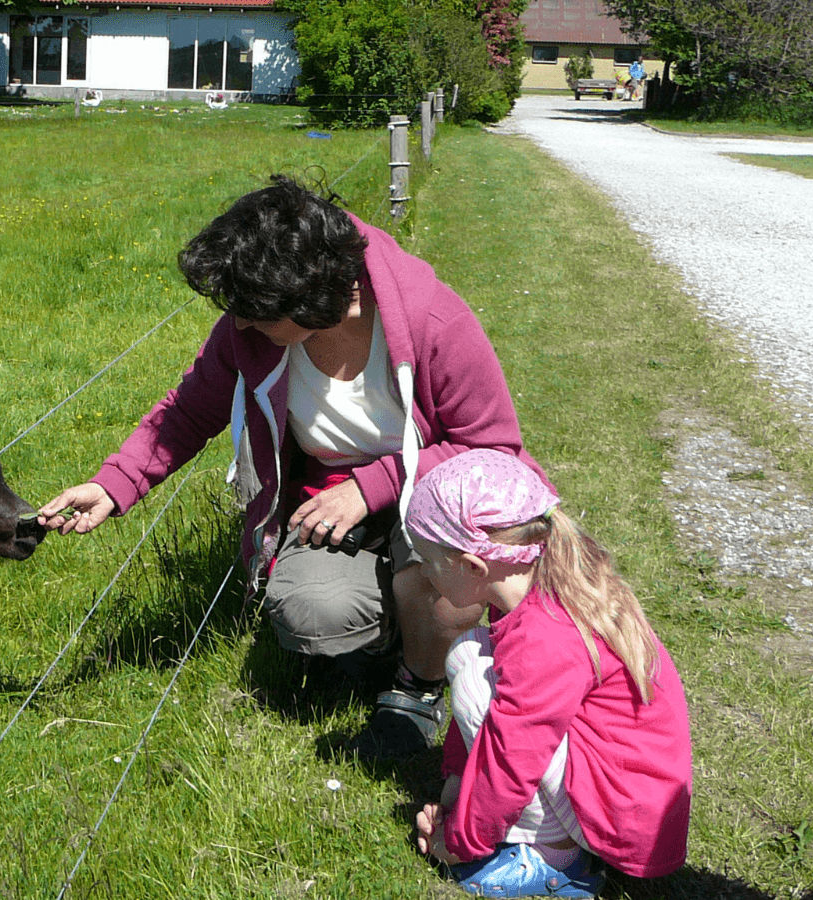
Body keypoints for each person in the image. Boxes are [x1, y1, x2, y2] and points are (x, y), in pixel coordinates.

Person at [37, 174, 548, 759]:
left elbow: (493, 450)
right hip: (324, 503)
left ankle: (419, 686)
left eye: (258, 316)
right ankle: (397, 635)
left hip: (436, 501)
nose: (244, 326)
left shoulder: (436, 323)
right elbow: (188, 410)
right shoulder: (250, 330)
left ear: (328, 302)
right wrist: (115, 485)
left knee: (443, 576)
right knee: (309, 613)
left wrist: (372, 486)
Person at [408, 450, 692, 898]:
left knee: (478, 687)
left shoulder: (545, 635)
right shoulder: (547, 585)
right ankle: (524, 826)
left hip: (622, 819)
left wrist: (461, 841)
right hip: (618, 788)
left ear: (472, 567)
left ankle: (559, 858)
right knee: (470, 655)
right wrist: (455, 793)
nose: (423, 572)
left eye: (428, 559)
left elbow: (512, 753)